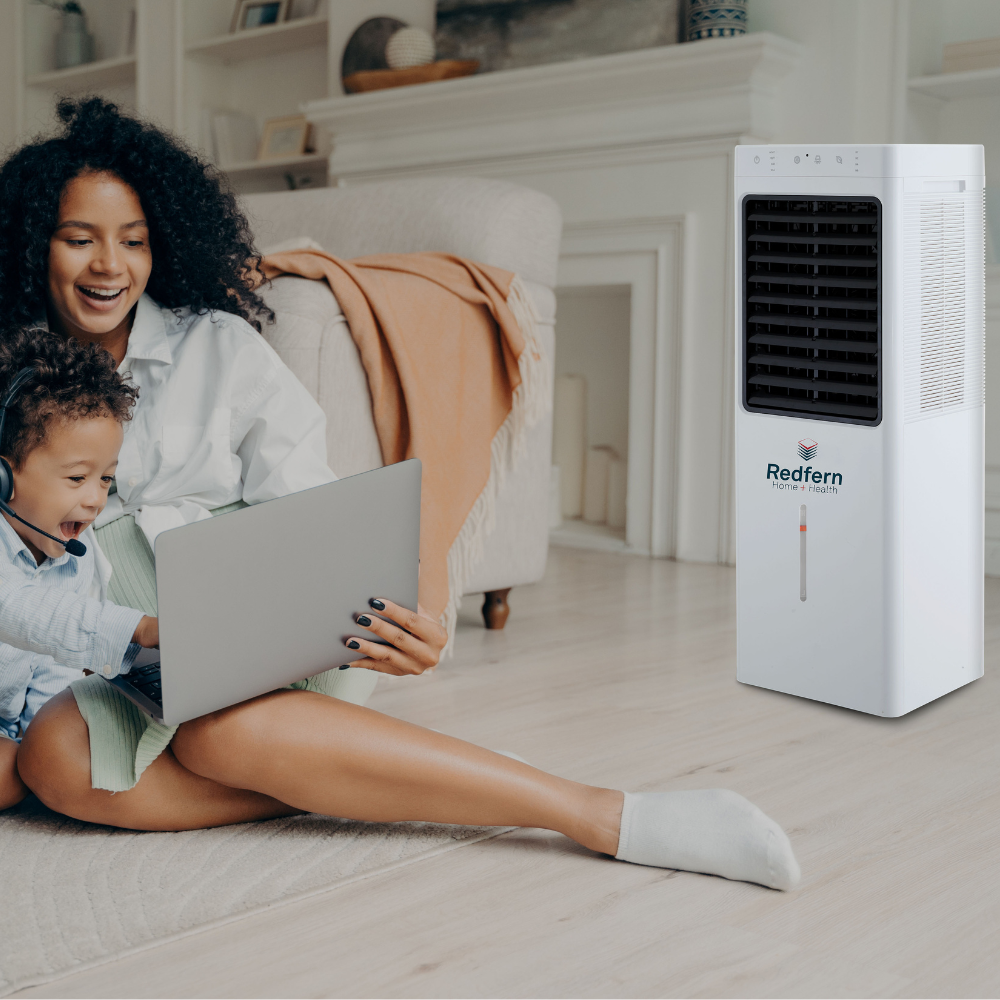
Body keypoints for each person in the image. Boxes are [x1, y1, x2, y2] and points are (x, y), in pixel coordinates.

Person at [8, 99, 800, 890]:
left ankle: (596, 812)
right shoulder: (8, 379)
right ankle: (378, 776)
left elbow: (312, 510)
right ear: (35, 243)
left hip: (253, 634)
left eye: (134, 241)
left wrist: (397, 617)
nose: (108, 265)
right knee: (51, 760)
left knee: (220, 736)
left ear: (163, 245)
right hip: (115, 649)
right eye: (79, 239)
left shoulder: (218, 345)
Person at [0, 331, 156, 811]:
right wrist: (139, 628)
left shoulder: (76, 550)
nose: (95, 498)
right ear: (3, 476)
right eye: (76, 478)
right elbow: (23, 610)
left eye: (105, 477)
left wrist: (38, 738)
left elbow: (57, 666)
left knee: (32, 765)